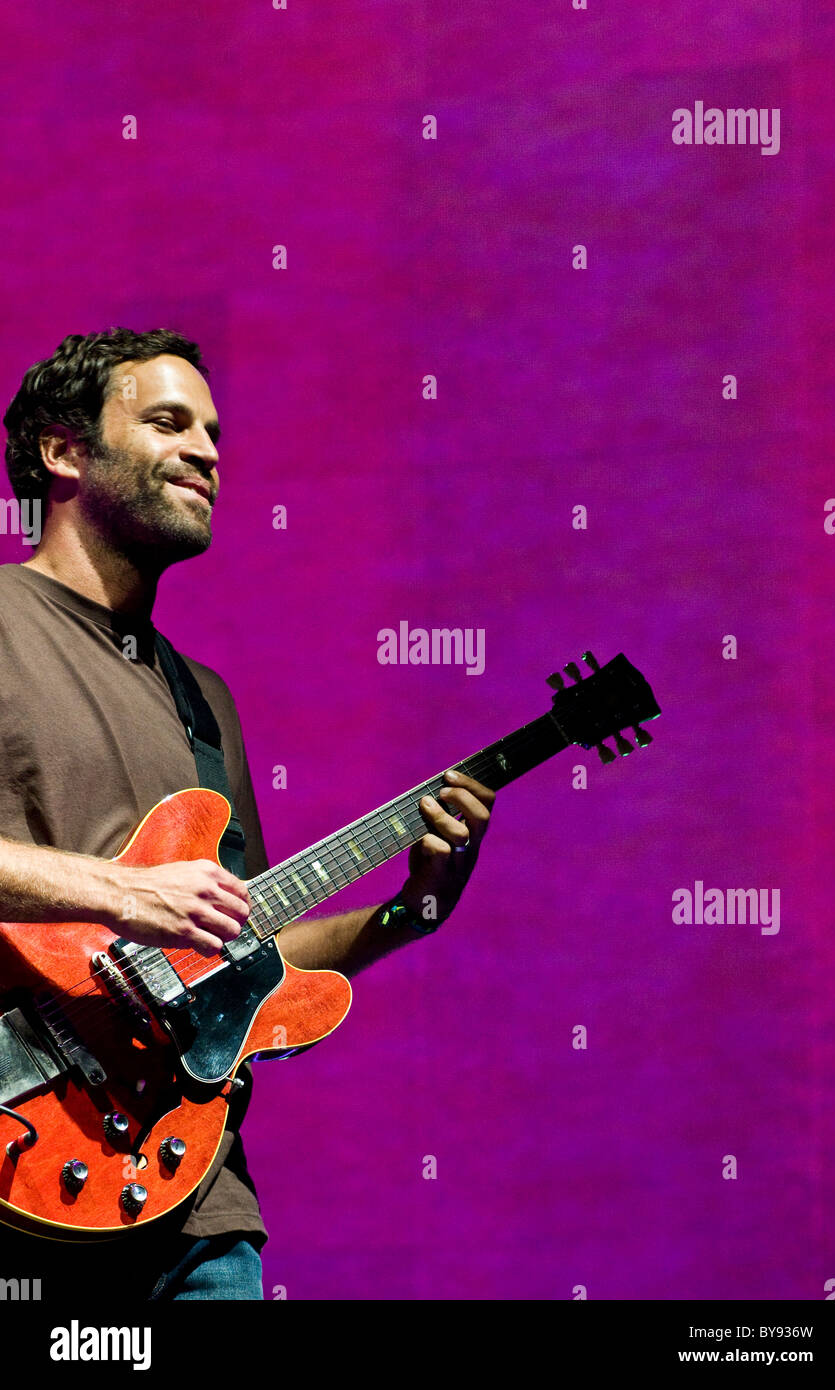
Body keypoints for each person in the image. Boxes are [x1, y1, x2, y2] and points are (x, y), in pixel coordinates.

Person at [0, 328, 495, 1300]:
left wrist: (409, 910)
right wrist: (124, 892)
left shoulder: (204, 704)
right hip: (20, 1159)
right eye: (168, 422)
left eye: (215, 432)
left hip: (198, 1208)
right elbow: (150, 906)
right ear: (63, 452)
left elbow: (241, 960)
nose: (208, 451)